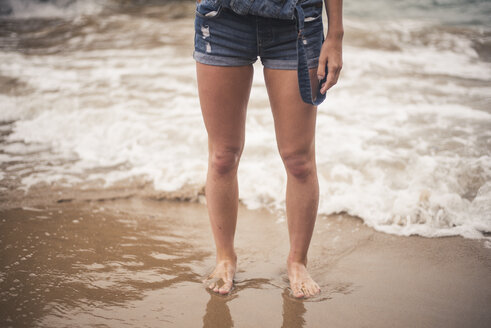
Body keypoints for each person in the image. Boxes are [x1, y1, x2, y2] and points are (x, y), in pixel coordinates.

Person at [193, 0, 343, 298]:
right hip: (223, 17)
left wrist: (335, 34)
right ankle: (225, 258)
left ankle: (297, 262)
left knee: (299, 160)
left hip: (296, 22)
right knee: (223, 157)